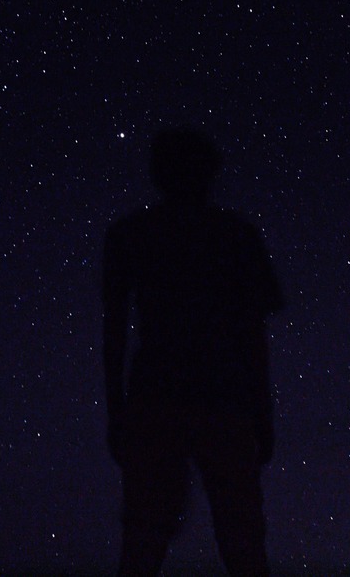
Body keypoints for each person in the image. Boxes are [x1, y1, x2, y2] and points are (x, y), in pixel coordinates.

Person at [102, 126, 284, 577]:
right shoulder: (236, 236)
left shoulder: (132, 234)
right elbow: (252, 333)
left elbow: (114, 332)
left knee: (143, 537)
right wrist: (262, 414)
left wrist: (118, 412)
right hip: (223, 398)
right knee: (242, 538)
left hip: (156, 398)